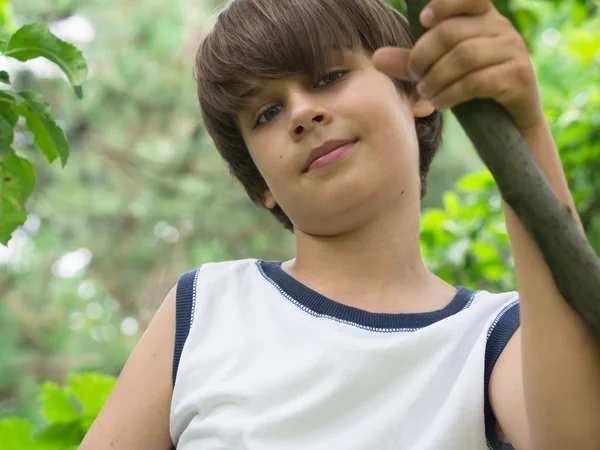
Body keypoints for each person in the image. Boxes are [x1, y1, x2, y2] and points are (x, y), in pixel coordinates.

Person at [79, 0, 600, 449]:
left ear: (418, 92)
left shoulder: (495, 339)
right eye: (266, 113)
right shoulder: (206, 307)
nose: (302, 113)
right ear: (259, 183)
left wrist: (523, 126)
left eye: (329, 78)